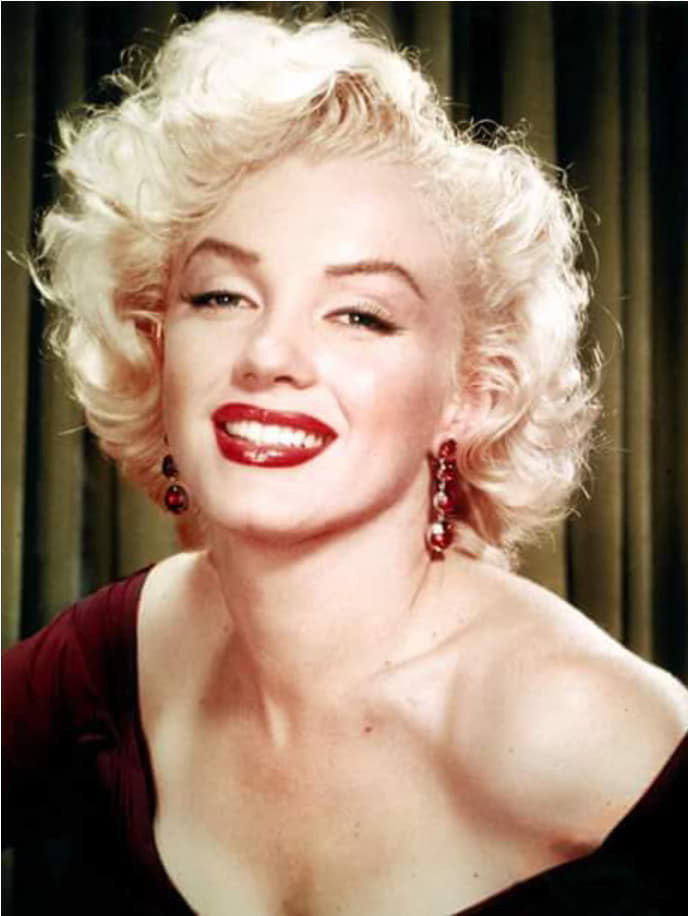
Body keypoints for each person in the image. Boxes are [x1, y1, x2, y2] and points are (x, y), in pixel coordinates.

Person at [3, 9, 687, 916]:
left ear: (471, 393)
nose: (268, 355)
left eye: (360, 314)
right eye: (222, 296)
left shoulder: (577, 728)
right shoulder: (115, 653)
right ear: (155, 342)